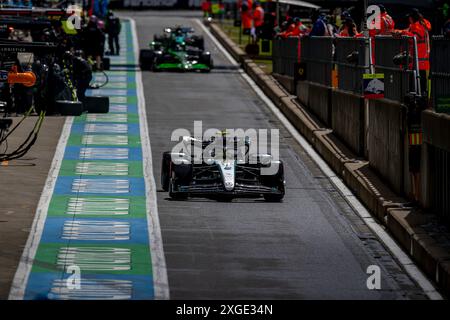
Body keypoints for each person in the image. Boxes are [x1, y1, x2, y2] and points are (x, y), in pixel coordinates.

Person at [396, 8, 432, 95]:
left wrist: (403, 33)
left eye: (409, 17)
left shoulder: (417, 25)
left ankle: (420, 99)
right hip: (422, 59)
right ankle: (422, 97)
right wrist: (401, 31)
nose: (409, 19)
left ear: (412, 18)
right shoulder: (422, 23)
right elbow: (409, 31)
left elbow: (414, 38)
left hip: (419, 59)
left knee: (419, 83)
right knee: (422, 83)